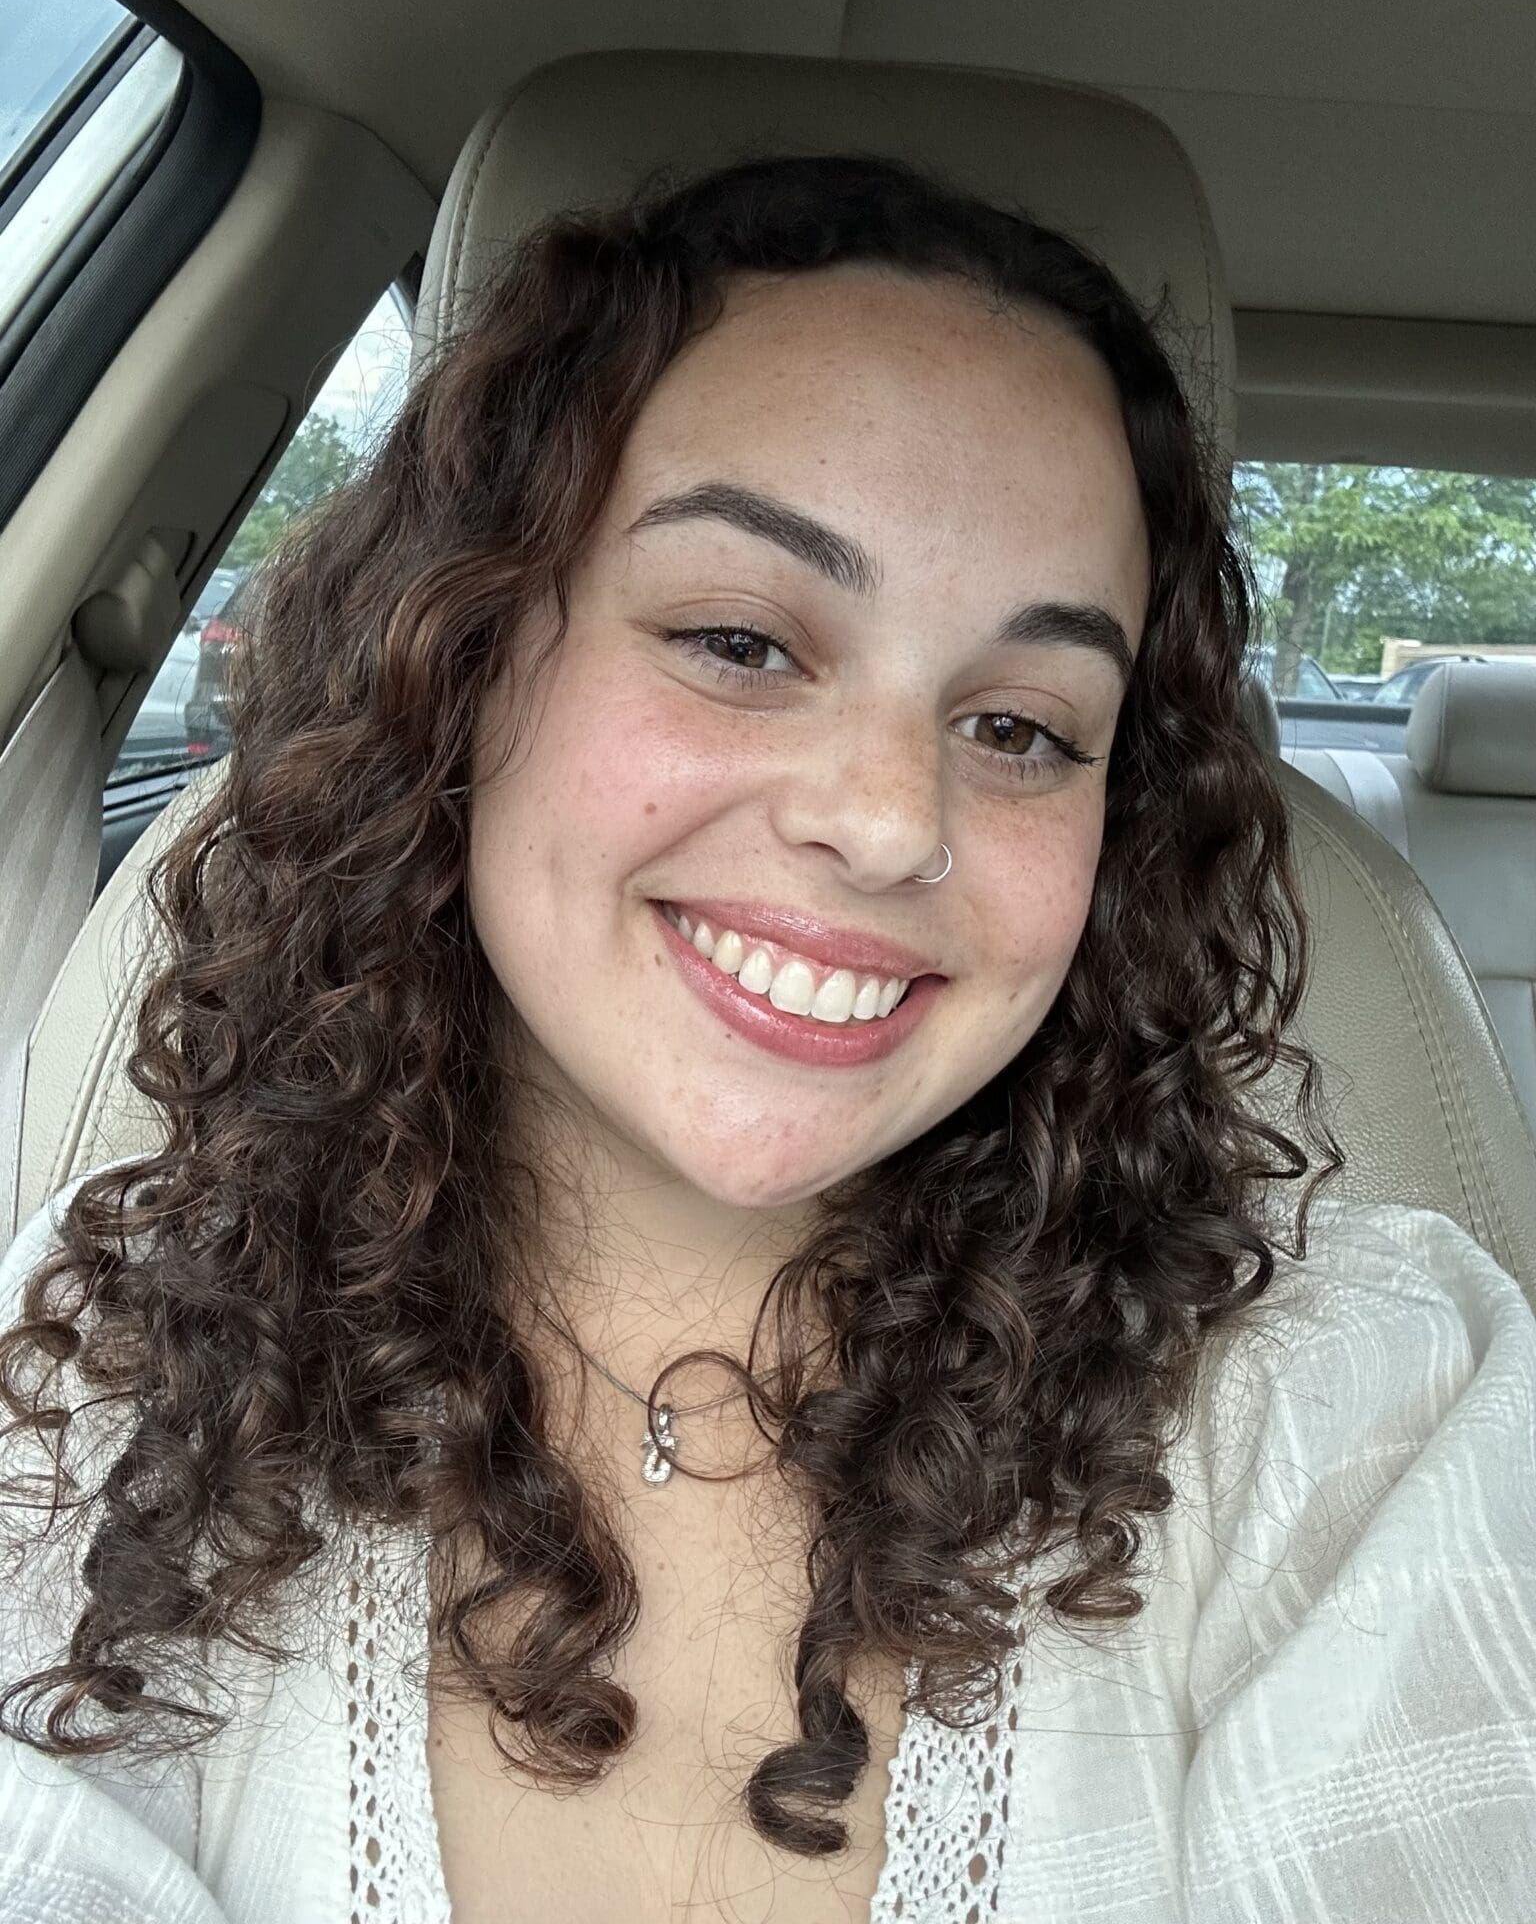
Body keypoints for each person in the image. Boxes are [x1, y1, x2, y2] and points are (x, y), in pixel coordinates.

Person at [1, 153, 1533, 1924]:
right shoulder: (111, 1379)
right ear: (466, 661)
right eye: (739, 638)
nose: (892, 819)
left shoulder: (1357, 1406)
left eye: (1027, 728)